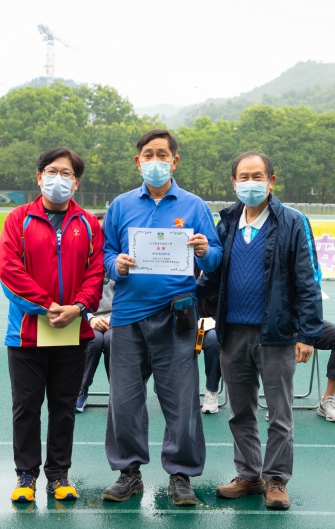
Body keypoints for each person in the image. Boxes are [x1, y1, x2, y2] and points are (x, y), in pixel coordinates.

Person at [101, 130, 223, 506]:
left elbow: (216, 258)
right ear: (138, 161)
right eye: (149, 154)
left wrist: (204, 251)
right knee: (124, 400)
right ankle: (129, 473)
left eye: (163, 154)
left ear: (175, 160)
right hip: (127, 317)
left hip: (176, 317)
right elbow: (105, 253)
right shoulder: (120, 206)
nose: (155, 161)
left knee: (182, 401)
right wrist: (117, 265)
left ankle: (180, 475)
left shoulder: (194, 206)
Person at [197, 151, 323, 510]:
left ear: (271, 181)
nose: (250, 183)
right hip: (232, 333)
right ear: (233, 182)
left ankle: (276, 478)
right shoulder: (226, 222)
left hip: (277, 333)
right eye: (243, 177)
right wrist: (180, 292)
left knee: (279, 413)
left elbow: (309, 280)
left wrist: (307, 334)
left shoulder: (293, 222)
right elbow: (213, 275)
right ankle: (249, 474)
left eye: (257, 176)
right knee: (240, 411)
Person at [0, 147, 104, 504]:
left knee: (63, 407)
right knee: (26, 407)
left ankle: (58, 475)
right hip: (26, 333)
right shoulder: (18, 219)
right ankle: (25, 475)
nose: (58, 178)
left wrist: (79, 307)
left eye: (67, 173)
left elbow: (96, 273)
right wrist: (45, 306)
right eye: (52, 171)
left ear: (76, 182)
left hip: (73, 333)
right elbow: (9, 271)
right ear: (39, 176)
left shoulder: (88, 224)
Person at [75, 275, 114, 412]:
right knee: (94, 341)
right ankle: (81, 389)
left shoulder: (120, 266)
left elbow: (130, 296)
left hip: (116, 318)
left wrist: (114, 318)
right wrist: (90, 318)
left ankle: (117, 392)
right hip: (87, 318)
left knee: (112, 340)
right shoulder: (86, 266)